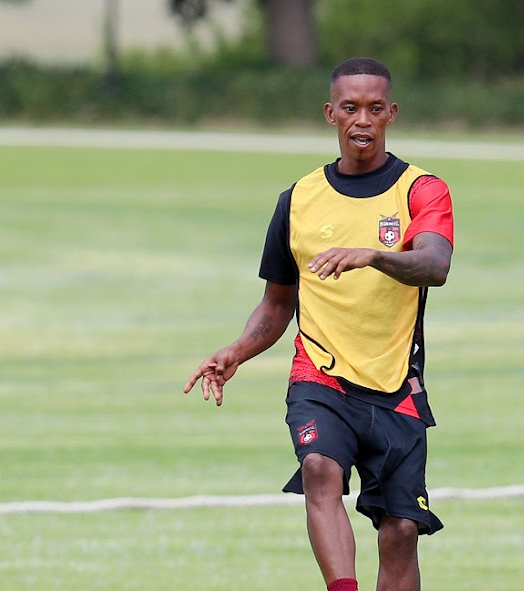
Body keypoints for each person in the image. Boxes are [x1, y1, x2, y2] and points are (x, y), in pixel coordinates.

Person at [183, 57, 454, 591]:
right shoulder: (299, 200)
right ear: (330, 113)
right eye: (350, 108)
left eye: (375, 109)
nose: (362, 119)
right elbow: (278, 302)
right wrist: (236, 351)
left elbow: (435, 265)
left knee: (400, 531)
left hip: (396, 384)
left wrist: (374, 256)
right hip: (321, 377)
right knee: (320, 471)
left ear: (391, 114)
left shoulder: (422, 190)